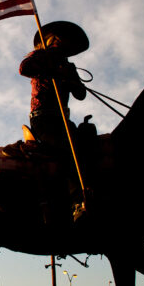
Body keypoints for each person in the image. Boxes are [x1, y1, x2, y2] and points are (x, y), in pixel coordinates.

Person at [19, 21, 91, 221]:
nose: (67, 46)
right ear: (55, 39)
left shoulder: (68, 65)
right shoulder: (40, 56)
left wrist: (70, 76)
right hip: (43, 118)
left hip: (62, 119)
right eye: (65, 40)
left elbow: (80, 94)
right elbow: (24, 68)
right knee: (67, 149)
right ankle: (77, 200)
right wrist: (52, 69)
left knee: (88, 145)